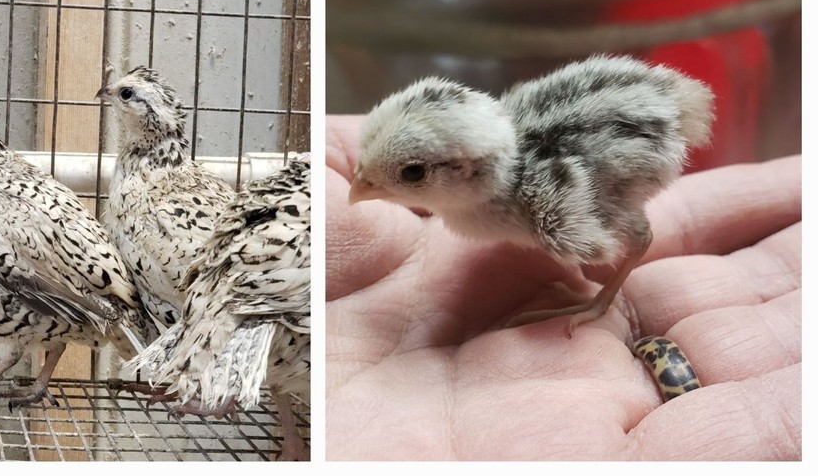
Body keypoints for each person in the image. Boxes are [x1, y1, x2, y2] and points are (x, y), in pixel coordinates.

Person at [326, 116, 801, 461]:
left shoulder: (540, 206)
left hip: (630, 142)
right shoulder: (487, 184)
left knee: (578, 239)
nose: (362, 186)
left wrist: (601, 300)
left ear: (469, 168)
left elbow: (628, 235)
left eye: (413, 173)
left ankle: (603, 298)